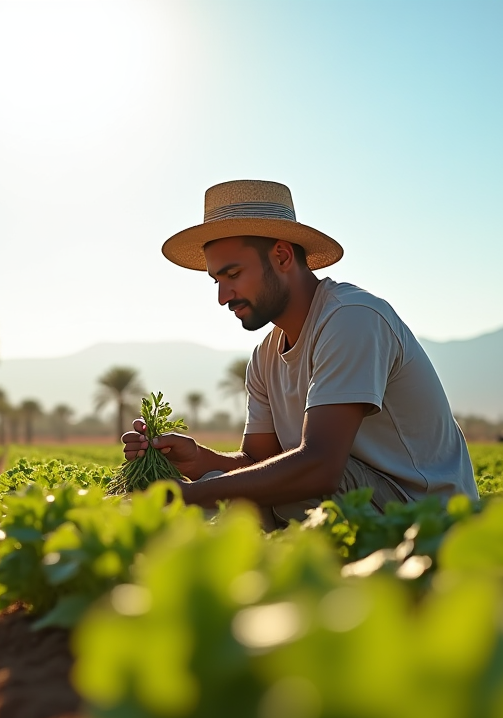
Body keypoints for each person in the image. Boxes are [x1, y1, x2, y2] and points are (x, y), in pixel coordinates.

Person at [122, 179, 478, 529]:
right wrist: (199, 459)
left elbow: (320, 469)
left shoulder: (351, 318)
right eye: (218, 281)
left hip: (425, 513)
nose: (223, 296)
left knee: (276, 489)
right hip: (350, 496)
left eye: (233, 274)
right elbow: (259, 463)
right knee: (237, 487)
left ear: (281, 256)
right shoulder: (265, 357)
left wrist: (190, 495)